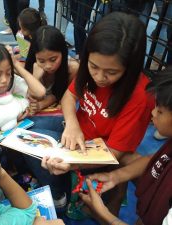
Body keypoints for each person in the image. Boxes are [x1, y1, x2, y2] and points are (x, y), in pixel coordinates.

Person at [35, 12, 153, 216]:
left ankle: (67, 197)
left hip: (99, 152)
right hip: (76, 133)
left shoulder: (140, 97)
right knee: (27, 132)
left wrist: (70, 163)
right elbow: (69, 97)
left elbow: (113, 153)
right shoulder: (87, 71)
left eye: (111, 72)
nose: (99, 77)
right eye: (93, 67)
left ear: (130, 67)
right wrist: (72, 125)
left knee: (48, 162)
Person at [79, 67, 172, 225]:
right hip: (150, 212)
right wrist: (115, 177)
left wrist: (103, 213)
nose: (153, 113)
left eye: (160, 111)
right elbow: (158, 160)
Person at [25, 25, 78, 116]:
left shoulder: (72, 69)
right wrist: (35, 78)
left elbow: (63, 96)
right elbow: (30, 97)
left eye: (53, 60)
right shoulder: (33, 66)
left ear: (63, 52)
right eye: (41, 61)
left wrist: (42, 104)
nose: (48, 66)